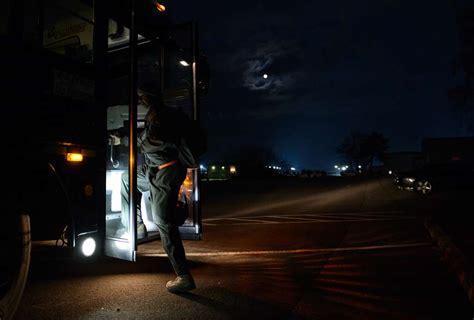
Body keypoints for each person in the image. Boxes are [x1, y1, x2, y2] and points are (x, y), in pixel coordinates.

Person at [110, 87, 196, 293]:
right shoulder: (157, 114)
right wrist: (124, 135)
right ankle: (136, 225)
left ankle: (183, 275)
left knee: (163, 222)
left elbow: (150, 142)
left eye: (142, 95)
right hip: (153, 171)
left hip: (166, 172)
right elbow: (148, 135)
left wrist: (124, 140)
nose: (139, 98)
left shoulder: (160, 115)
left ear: (150, 96)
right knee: (126, 178)